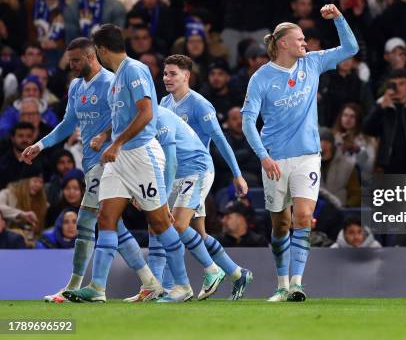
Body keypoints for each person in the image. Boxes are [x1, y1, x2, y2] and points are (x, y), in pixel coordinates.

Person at [21, 37, 162, 303]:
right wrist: (41, 144)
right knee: (114, 226)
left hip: (108, 162)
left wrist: (107, 136)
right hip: (88, 164)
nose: (71, 65)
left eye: (76, 60)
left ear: (91, 57)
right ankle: (150, 282)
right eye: (69, 60)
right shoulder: (75, 86)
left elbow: (132, 116)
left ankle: (76, 286)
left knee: (86, 222)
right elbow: (67, 123)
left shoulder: (111, 82)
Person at [60, 25, 189, 303]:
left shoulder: (134, 70)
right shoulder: (118, 77)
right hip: (118, 158)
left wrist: (116, 143)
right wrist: (107, 136)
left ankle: (182, 285)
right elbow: (122, 117)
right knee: (105, 217)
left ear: (102, 50)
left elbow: (146, 112)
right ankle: (97, 288)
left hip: (142, 154)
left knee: (159, 222)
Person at [241, 4, 358, 301]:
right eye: (300, 39)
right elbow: (247, 122)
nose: (306, 43)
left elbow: (351, 48)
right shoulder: (261, 78)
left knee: (303, 217)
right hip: (275, 159)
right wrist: (263, 156)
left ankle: (296, 284)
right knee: (280, 224)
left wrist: (339, 19)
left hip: (308, 155)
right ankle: (281, 284)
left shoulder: (313, 63)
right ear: (283, 44)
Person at [160, 54, 252, 300]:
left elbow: (220, 140)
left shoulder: (199, 104)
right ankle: (236, 273)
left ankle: (196, 278)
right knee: (197, 235)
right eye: (165, 73)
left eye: (173, 74)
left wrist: (237, 174)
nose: (167, 78)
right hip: (176, 173)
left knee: (175, 226)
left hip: (197, 171)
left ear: (186, 76)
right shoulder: (163, 104)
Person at [363, 69, 406, 174]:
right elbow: (367, 130)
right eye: (394, 84)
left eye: (401, 84)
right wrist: (380, 109)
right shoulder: (381, 105)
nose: (398, 88)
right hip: (386, 167)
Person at [0, 122, 37, 189]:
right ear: (12, 138)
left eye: (29, 136)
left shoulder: (41, 162)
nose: (25, 140)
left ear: (33, 138)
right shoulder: (2, 163)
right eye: (20, 136)